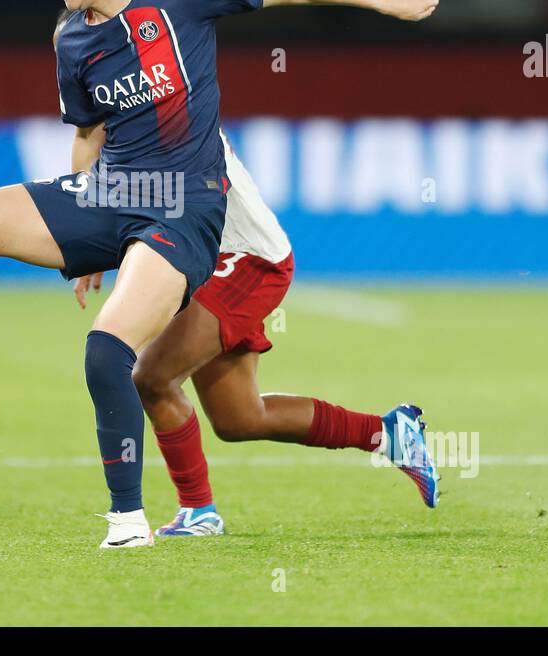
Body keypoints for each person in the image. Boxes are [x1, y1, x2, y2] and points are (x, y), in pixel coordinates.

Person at [0, 0, 452, 549]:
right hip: (138, 212)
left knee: (144, 373)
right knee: (237, 416)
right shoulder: (73, 39)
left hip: (239, 251)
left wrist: (387, 1)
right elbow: (90, 133)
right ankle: (389, 434)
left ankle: (181, 513)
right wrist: (86, 235)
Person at [74, 129, 440, 540]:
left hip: (244, 258)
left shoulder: (179, 117)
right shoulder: (129, 114)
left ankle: (198, 511)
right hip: (203, 258)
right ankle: (388, 433)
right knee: (239, 418)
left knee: (151, 379)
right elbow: (95, 159)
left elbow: (180, 191)